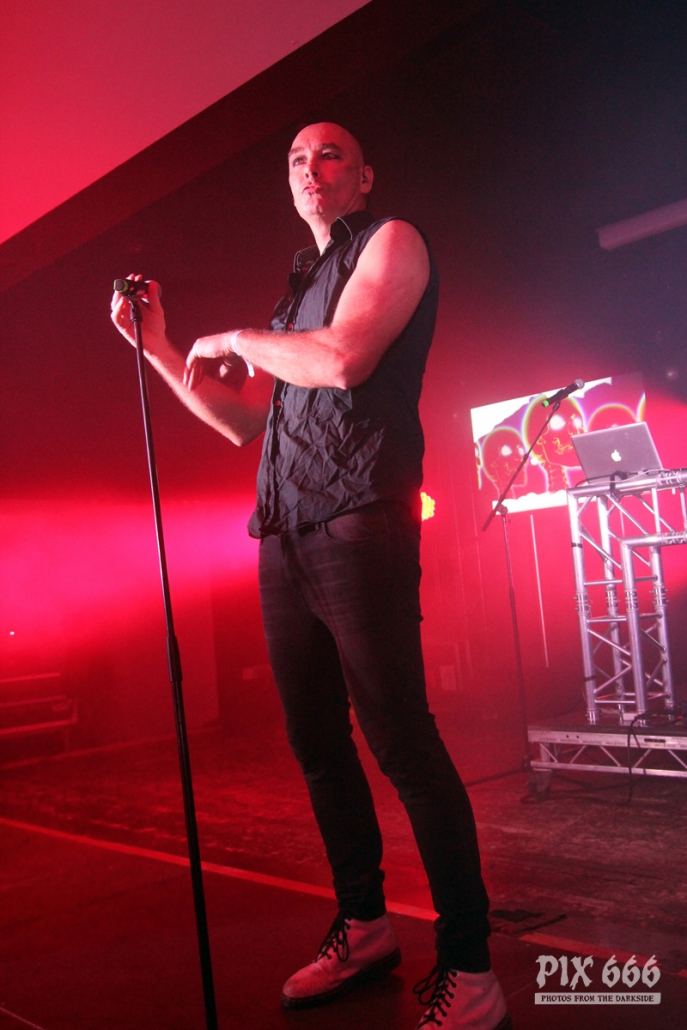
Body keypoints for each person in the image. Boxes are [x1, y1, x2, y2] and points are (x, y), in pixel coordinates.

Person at [111, 122, 510, 1030]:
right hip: (284, 530)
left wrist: (238, 335)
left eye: (328, 154)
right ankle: (364, 927)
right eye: (295, 159)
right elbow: (240, 422)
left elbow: (342, 359)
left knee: (400, 741)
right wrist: (159, 345)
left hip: (359, 518)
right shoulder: (296, 292)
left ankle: (471, 970)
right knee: (317, 745)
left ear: (363, 175)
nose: (310, 167)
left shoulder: (392, 241)